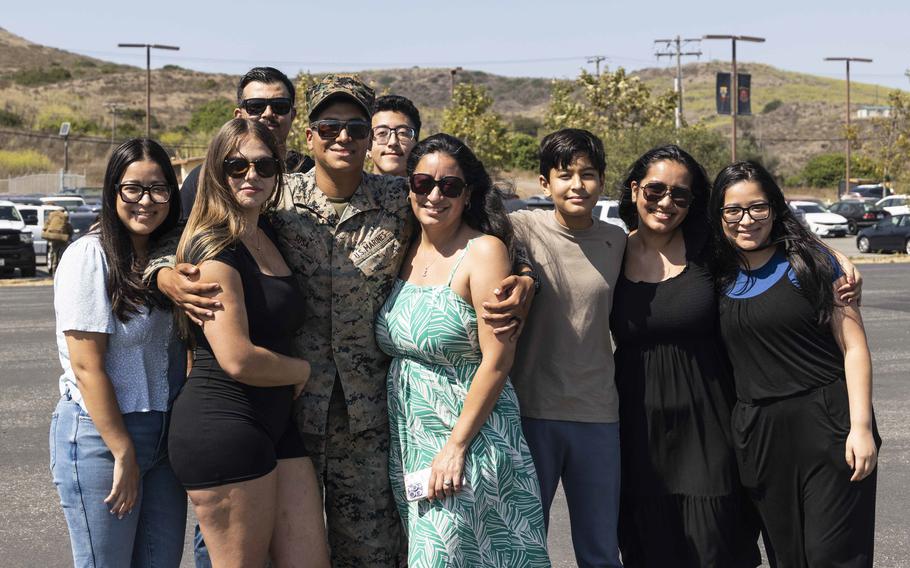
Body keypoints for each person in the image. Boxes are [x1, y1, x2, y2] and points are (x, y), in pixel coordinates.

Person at [146, 74, 536, 567]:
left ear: (371, 138)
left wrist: (523, 276)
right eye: (329, 127)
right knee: (262, 551)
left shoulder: (403, 200)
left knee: (372, 556)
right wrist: (163, 275)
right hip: (288, 412)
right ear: (308, 136)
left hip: (370, 420)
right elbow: (183, 231)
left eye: (355, 128)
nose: (342, 138)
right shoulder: (272, 193)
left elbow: (478, 229)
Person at [375, 133, 551, 567]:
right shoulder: (403, 247)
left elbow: (498, 359)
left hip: (470, 436)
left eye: (450, 186)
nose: (435, 195)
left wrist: (455, 446)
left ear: (467, 194)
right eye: (423, 184)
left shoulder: (483, 252)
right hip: (412, 439)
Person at [167, 118, 329, 568]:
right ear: (217, 172)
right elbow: (237, 358)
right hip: (225, 424)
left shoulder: (269, 234)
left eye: (263, 165)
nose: (251, 175)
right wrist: (302, 371)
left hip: (277, 425)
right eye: (236, 165)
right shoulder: (214, 250)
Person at [711, 161, 880, 567]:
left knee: (831, 556)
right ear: (718, 215)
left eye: (758, 208)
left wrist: (860, 428)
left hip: (828, 422)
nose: (746, 220)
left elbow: (854, 347)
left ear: (775, 207)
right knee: (789, 558)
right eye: (733, 210)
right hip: (759, 434)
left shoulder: (813, 264)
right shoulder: (713, 273)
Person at [610, 145, 762, 567]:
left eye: (681, 195)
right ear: (635, 189)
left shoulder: (711, 248)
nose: (666, 202)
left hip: (709, 424)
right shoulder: (610, 250)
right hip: (635, 428)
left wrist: (835, 258)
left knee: (715, 542)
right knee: (648, 544)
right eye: (656, 190)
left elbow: (779, 246)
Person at [49, 138, 186, 567]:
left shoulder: (163, 261)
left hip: (162, 437)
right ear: (113, 192)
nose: (146, 201)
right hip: (102, 437)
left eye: (158, 188)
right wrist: (123, 451)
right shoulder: (90, 256)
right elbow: (87, 366)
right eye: (133, 188)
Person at [508, 129, 625, 568]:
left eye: (588, 174)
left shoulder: (618, 242)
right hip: (530, 412)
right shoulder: (520, 227)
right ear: (544, 183)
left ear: (601, 181)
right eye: (564, 175)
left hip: (597, 414)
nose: (577, 185)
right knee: (524, 545)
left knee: (599, 550)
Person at [179, 66, 314, 223]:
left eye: (280, 106)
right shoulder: (207, 177)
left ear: (293, 115)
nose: (268, 113)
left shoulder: (310, 173)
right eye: (256, 106)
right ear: (238, 116)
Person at [369, 94, 421, 177]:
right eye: (382, 133)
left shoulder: (434, 189)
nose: (393, 142)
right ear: (367, 146)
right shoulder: (350, 189)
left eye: (402, 133)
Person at [43, 207, 73, 274]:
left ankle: (54, 270)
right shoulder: (64, 216)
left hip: (53, 238)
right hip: (62, 238)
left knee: (54, 254)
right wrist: (69, 236)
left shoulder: (52, 216)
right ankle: (62, 270)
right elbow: (69, 228)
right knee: (62, 255)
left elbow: (45, 227)